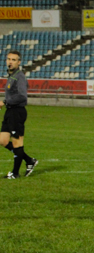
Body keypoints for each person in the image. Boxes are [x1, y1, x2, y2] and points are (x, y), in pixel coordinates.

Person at [1, 50, 38, 179]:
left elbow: (22, 96)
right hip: (9, 111)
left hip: (17, 112)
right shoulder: (11, 75)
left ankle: (15, 173)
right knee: (2, 140)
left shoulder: (19, 76)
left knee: (17, 143)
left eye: (13, 60)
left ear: (19, 62)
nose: (10, 62)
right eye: (9, 59)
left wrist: (5, 101)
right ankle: (29, 160)